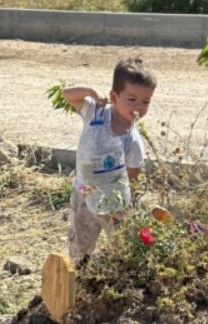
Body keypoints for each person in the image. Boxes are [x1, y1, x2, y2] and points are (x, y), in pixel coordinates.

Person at [62, 57, 157, 266]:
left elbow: (133, 177)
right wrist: (89, 92)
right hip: (84, 192)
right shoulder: (95, 113)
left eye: (146, 101)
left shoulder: (132, 141)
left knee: (122, 242)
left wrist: (123, 206)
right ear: (114, 96)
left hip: (113, 202)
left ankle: (119, 273)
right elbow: (66, 95)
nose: (139, 107)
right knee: (80, 241)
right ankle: (79, 274)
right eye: (132, 100)